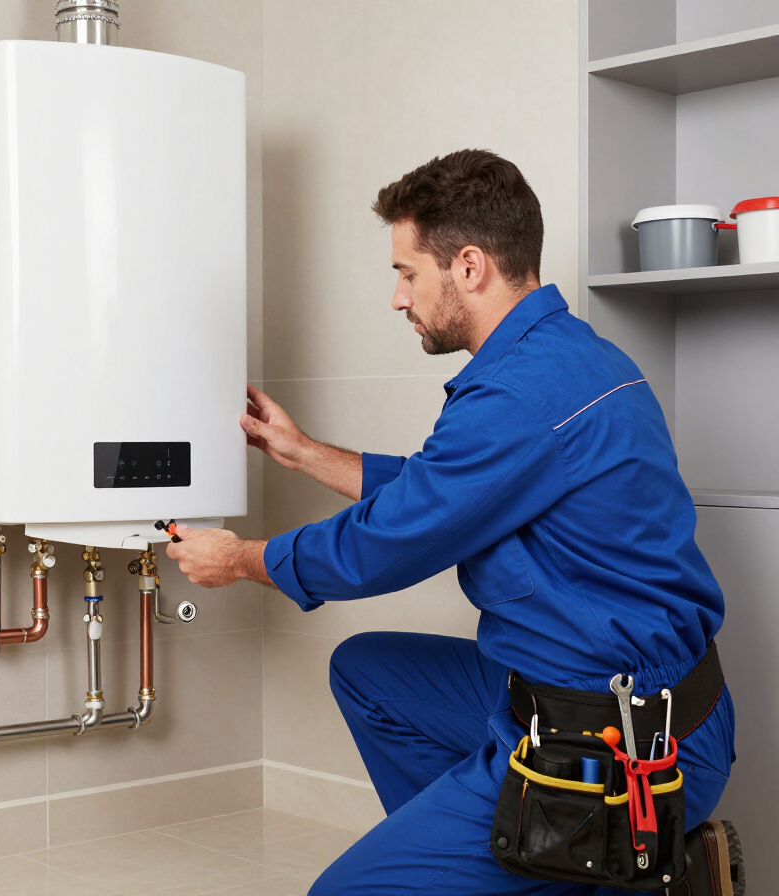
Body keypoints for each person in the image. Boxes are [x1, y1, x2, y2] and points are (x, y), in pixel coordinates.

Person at [166, 149, 739, 896]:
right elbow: (445, 494)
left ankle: (589, 860)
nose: (399, 298)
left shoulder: (517, 396)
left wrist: (242, 558)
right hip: (618, 695)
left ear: (469, 267)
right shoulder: (565, 360)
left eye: (407, 272)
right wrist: (304, 453)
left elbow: (384, 544)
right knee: (368, 673)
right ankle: (524, 865)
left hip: (620, 743)